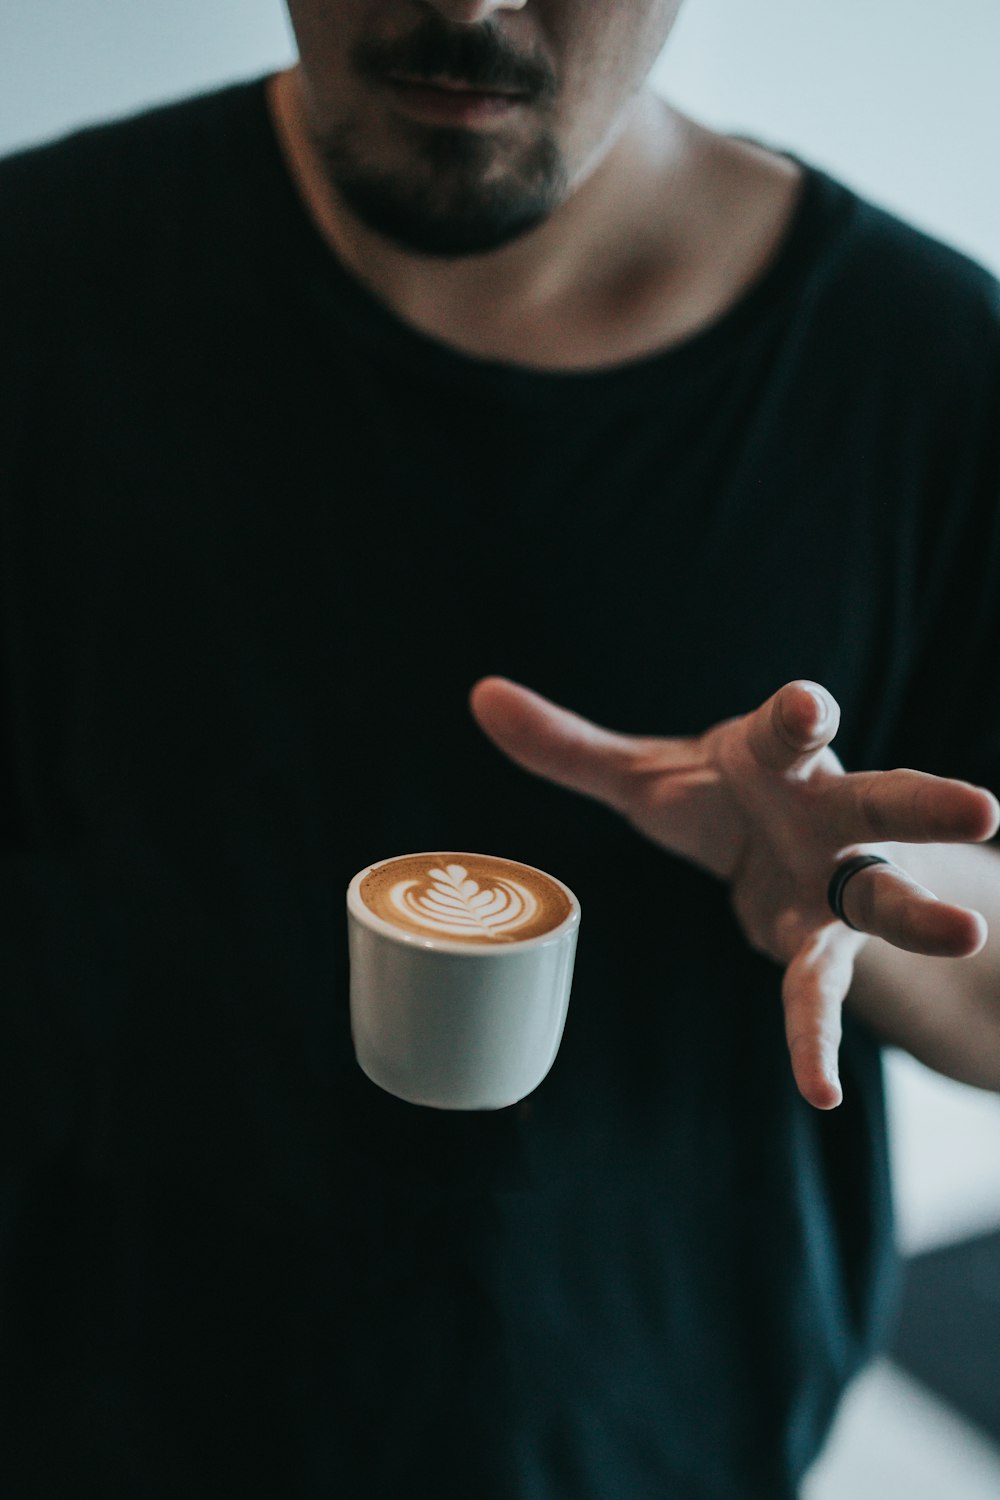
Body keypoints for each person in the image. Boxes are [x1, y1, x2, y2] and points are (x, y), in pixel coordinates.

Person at [2, 1, 998, 1495]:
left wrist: (849, 895)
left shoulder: (931, 372)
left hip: (652, 1445)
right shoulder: (36, 277)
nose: (462, 0)